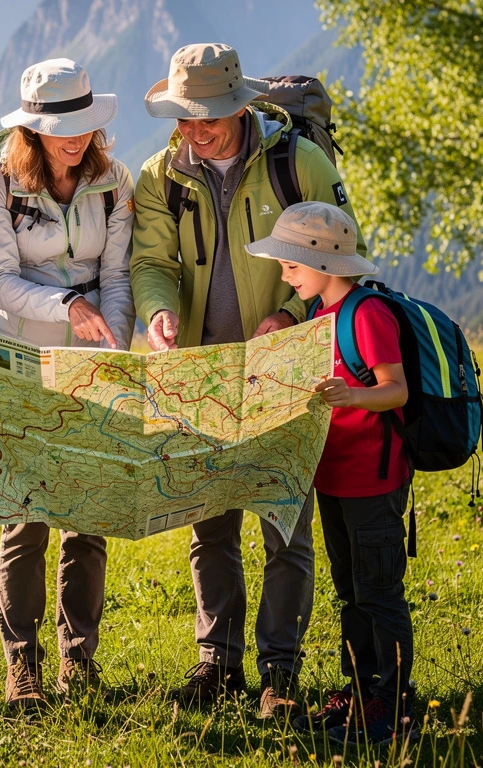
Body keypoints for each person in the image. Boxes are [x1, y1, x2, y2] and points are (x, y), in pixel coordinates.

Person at [130, 42, 368, 720]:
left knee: (282, 521)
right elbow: (151, 260)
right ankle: (217, 661)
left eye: (207, 118)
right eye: (183, 118)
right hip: (202, 370)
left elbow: (342, 258)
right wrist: (159, 310)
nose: (194, 131)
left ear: (239, 107)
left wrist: (290, 313)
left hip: (286, 363)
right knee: (209, 520)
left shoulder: (300, 164)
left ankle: (279, 674)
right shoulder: (162, 176)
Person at [0, 57, 135, 710]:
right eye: (58, 127)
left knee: (88, 517)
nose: (74, 139)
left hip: (91, 361)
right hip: (18, 359)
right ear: (32, 130)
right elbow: (0, 279)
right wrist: (68, 307)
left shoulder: (112, 182)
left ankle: (78, 661)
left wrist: (114, 345)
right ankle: (23, 668)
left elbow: (117, 277)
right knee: (27, 517)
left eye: (85, 126)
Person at [245, 202, 414, 746]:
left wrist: (354, 395)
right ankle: (361, 692)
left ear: (323, 263)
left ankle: (389, 709)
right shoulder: (321, 317)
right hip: (335, 482)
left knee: (378, 592)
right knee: (349, 590)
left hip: (374, 480)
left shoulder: (366, 314)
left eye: (291, 266)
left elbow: (396, 389)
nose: (285, 275)